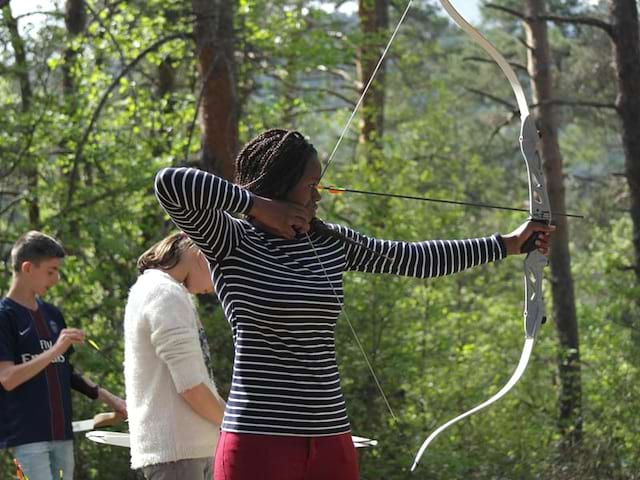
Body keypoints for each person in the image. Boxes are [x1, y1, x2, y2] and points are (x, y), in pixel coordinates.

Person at [154, 129, 555, 480]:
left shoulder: (327, 242)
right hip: (259, 440)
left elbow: (411, 258)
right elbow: (171, 183)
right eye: (311, 186)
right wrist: (260, 207)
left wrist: (507, 244)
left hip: (332, 439)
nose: (318, 197)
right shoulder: (230, 240)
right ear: (281, 183)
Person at [0, 231, 127, 480]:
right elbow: (7, 378)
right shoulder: (5, 317)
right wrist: (55, 349)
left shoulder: (53, 314)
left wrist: (115, 402)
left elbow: (65, 371)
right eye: (51, 271)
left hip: (62, 436)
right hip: (28, 440)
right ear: (27, 268)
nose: (57, 279)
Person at [124, 232, 226, 480]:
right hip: (179, 454)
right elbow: (191, 385)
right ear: (202, 254)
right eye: (220, 271)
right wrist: (233, 426)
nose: (214, 287)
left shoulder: (160, 289)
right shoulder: (164, 293)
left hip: (185, 450)